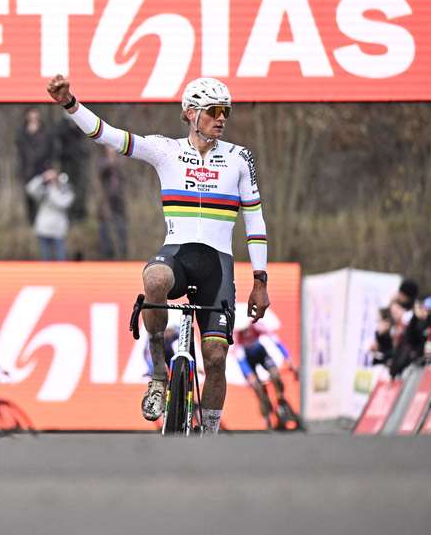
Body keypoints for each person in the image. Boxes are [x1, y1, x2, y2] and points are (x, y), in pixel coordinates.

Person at [47, 74, 270, 434]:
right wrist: (70, 103)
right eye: (213, 111)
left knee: (215, 359)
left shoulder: (239, 158)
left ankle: (211, 433)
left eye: (225, 111)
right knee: (154, 277)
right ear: (190, 113)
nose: (222, 118)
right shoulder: (166, 149)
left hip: (218, 267)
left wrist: (260, 280)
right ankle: (158, 372)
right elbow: (109, 135)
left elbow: (255, 220)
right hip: (178, 255)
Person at [232, 320, 297, 430]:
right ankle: (267, 413)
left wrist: (289, 360)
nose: (247, 332)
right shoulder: (236, 335)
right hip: (247, 360)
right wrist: (249, 376)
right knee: (257, 387)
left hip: (260, 353)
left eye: (247, 328)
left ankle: (281, 399)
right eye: (244, 330)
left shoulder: (257, 326)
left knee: (275, 375)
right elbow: (240, 359)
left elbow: (277, 342)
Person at [25, 167, 74, 261]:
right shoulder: (44, 191)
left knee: (61, 259)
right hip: (44, 229)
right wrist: (43, 177)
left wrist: (52, 190)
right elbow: (29, 188)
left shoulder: (64, 191)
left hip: (59, 230)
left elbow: (63, 203)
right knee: (45, 260)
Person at [16, 108, 54, 224]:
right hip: (27, 169)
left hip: (42, 168)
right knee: (29, 197)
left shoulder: (45, 132)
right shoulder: (22, 133)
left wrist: (50, 168)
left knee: (44, 196)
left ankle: (45, 222)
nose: (33, 118)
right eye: (31, 116)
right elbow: (20, 151)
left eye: (35, 116)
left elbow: (49, 150)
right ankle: (31, 221)